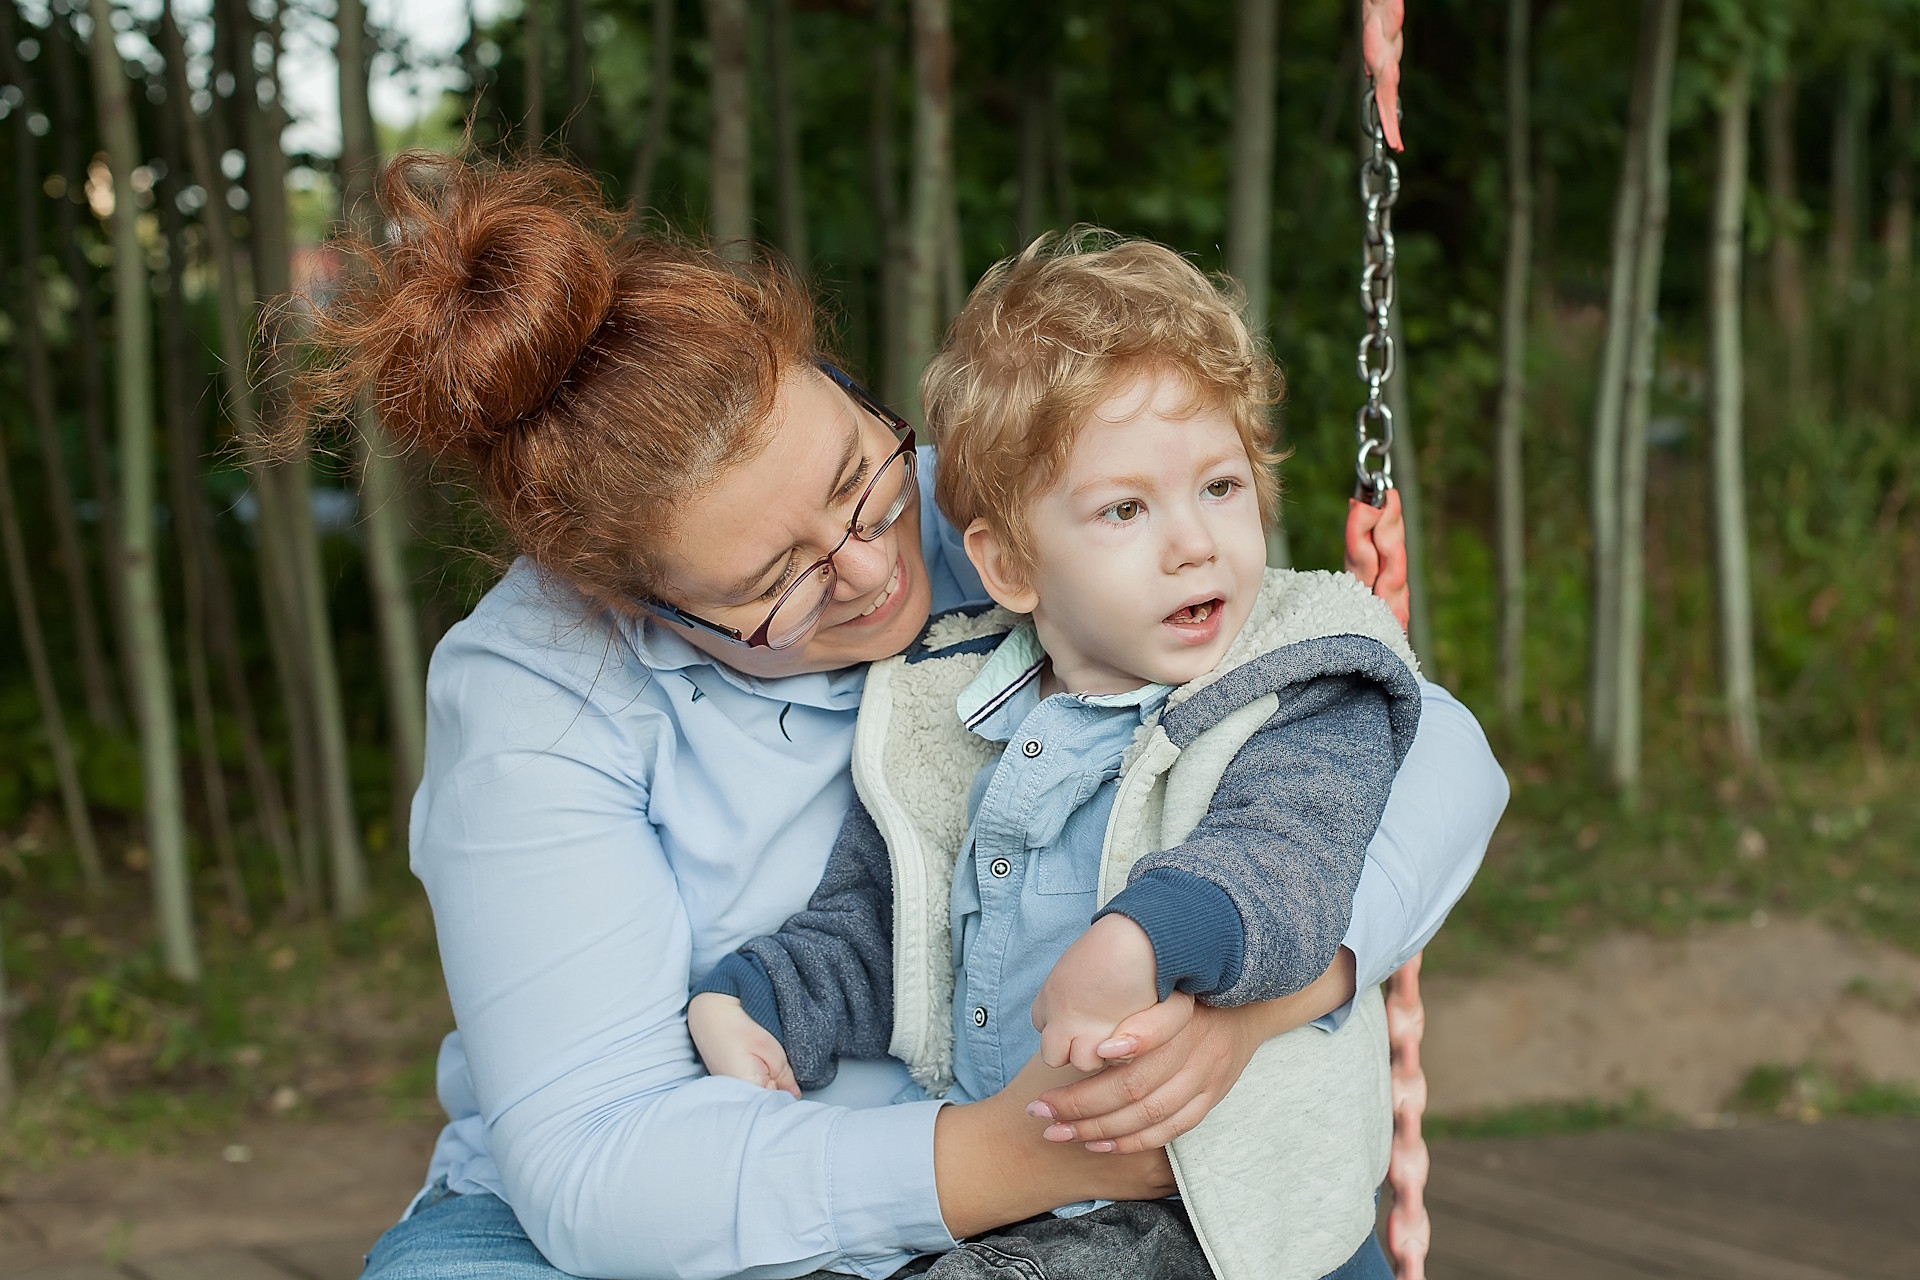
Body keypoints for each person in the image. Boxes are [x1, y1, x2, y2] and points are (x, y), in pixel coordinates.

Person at [303, 152, 1507, 1280]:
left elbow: (1397, 731)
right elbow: (599, 1164)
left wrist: (1266, 996)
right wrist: (1018, 1154)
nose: (877, 568)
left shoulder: (999, 508)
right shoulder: (535, 688)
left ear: (843, 386)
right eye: (777, 581)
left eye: (858, 480)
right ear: (635, 602)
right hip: (698, 1195)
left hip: (1104, 1149)